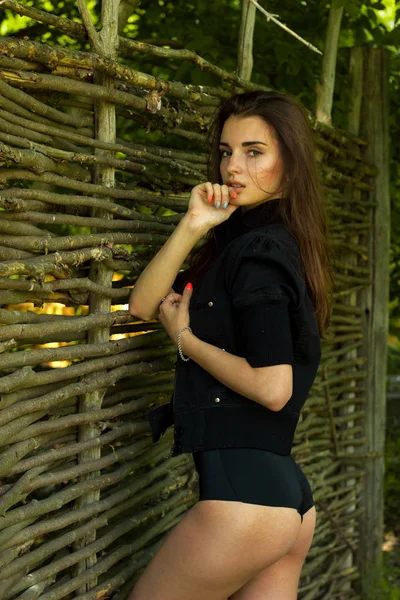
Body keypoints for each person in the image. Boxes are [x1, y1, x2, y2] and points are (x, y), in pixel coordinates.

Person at [128, 90, 332, 600]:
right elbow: (142, 303)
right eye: (226, 151)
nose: (232, 167)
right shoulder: (263, 243)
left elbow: (273, 387)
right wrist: (194, 223)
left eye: (254, 151)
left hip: (245, 503)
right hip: (287, 500)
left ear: (290, 161)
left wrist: (185, 339)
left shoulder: (259, 253)